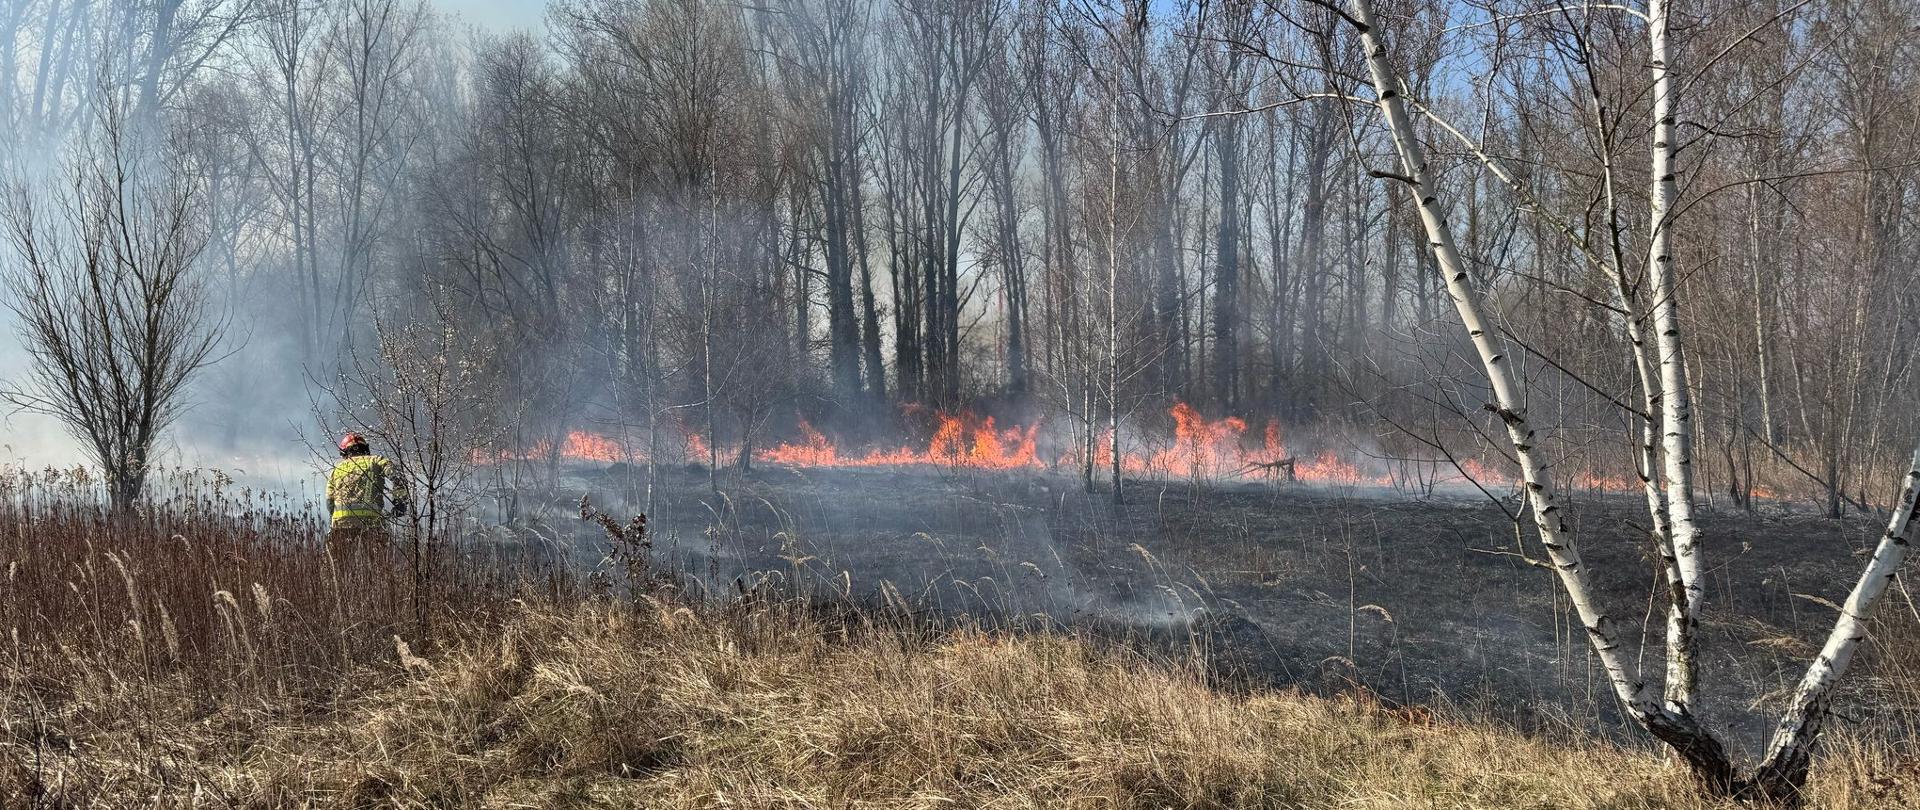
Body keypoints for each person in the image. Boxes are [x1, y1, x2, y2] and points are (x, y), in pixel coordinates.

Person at [325, 432, 409, 563]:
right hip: (372, 523)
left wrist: (336, 518)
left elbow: (329, 503)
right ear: (366, 449)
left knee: (340, 567)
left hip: (341, 525)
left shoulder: (337, 469)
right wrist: (400, 503)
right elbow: (398, 477)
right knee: (378, 566)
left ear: (344, 452)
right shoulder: (377, 461)